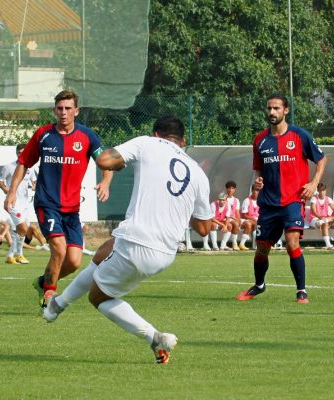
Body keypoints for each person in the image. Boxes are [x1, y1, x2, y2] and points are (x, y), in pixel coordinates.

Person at [42, 116, 213, 364]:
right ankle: (56, 306)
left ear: (156, 134)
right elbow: (204, 228)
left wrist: (119, 164)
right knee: (104, 251)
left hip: (137, 242)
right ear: (182, 141)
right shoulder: (197, 173)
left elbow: (104, 160)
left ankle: (154, 337)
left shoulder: (147, 143)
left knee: (98, 297)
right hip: (164, 253)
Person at [4, 89, 113, 310]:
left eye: (68, 108)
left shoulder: (87, 136)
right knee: (59, 250)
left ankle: (44, 281)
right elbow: (24, 163)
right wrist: (12, 192)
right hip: (47, 204)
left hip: (72, 209)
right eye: (60, 109)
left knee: (73, 262)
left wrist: (105, 182)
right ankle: (48, 297)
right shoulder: (43, 134)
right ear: (54, 110)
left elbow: (106, 161)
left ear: (76, 111)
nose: (63, 113)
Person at [237, 94, 327, 304]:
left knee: (291, 242)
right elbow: (258, 170)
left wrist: (313, 184)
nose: (272, 112)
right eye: (269, 108)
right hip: (268, 204)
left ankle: (301, 291)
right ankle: (259, 285)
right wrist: (256, 183)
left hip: (293, 201)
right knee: (261, 250)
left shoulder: (299, 135)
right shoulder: (260, 139)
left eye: (276, 108)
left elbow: (322, 159)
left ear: (285, 110)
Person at [0, 144, 37, 264]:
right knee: (24, 228)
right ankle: (17, 255)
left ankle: (13, 255)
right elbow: (0, 182)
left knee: (21, 231)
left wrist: (35, 186)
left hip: (25, 203)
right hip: (13, 203)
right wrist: (10, 193)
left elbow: (34, 181)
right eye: (19, 152)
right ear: (16, 153)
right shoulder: (8, 167)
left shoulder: (30, 168)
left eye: (23, 152)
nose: (21, 154)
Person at [309, 183, 334, 249]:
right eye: (320, 191)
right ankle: (328, 245)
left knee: (325, 223)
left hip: (325, 220)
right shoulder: (314, 199)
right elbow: (314, 212)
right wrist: (321, 218)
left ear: (325, 191)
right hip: (315, 219)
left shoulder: (329, 199)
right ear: (318, 191)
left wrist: (330, 218)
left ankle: (326, 222)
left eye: (323, 191)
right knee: (324, 224)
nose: (322, 192)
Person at [239, 184, 261, 250]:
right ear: (252, 190)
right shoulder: (247, 200)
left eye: (257, 190)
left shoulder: (261, 201)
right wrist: (253, 219)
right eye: (254, 190)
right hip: (246, 219)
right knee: (251, 224)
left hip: (256, 220)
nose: (255, 192)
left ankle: (256, 246)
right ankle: (241, 244)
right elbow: (243, 215)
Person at [224, 181, 242, 250]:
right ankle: (234, 243)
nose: (230, 190)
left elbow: (237, 211)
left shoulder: (236, 200)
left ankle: (236, 244)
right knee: (234, 224)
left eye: (232, 188)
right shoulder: (223, 199)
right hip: (224, 218)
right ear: (226, 189)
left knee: (237, 223)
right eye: (229, 188)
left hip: (233, 218)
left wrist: (239, 219)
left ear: (234, 189)